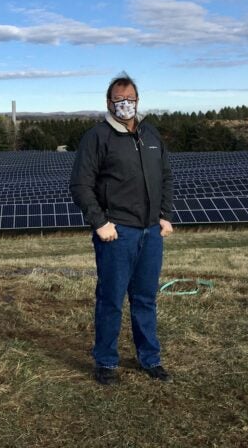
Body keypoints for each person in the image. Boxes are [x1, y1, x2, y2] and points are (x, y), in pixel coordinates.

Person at [70, 73, 174, 385]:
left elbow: (165, 176)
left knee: (145, 299)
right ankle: (106, 362)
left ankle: (150, 359)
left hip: (150, 233)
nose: (125, 105)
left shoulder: (151, 134)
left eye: (130, 99)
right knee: (111, 299)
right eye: (119, 100)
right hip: (117, 233)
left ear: (138, 101)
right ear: (109, 103)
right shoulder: (98, 137)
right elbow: (80, 184)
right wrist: (100, 222)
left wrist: (164, 215)